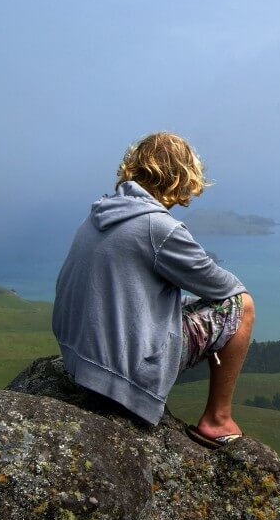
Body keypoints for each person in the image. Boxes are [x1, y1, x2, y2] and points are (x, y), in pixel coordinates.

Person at [52, 131, 254, 449]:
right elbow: (225, 288)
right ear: (180, 177)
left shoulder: (98, 214)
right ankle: (217, 420)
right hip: (121, 375)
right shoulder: (158, 228)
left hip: (79, 362)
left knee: (189, 302)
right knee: (242, 306)